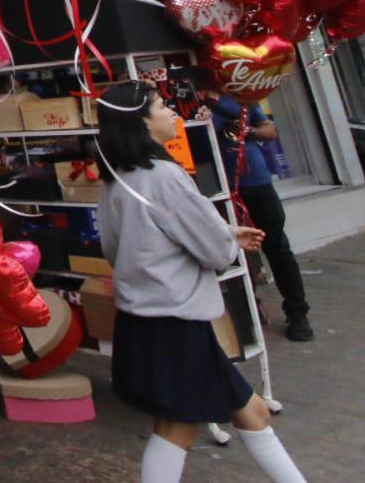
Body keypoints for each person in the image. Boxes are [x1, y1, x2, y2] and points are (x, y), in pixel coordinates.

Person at [96, 80, 306, 483]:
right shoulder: (164, 176)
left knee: (249, 413)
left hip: (150, 321)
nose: (173, 113)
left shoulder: (115, 180)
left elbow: (120, 248)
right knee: (178, 427)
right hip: (175, 324)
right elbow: (212, 249)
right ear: (141, 121)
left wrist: (226, 235)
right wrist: (227, 242)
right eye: (162, 107)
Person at [204, 78, 313, 342]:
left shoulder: (243, 94)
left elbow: (270, 129)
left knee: (276, 246)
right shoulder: (192, 94)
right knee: (227, 251)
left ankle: (298, 313)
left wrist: (245, 131)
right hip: (215, 184)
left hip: (255, 181)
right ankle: (247, 311)